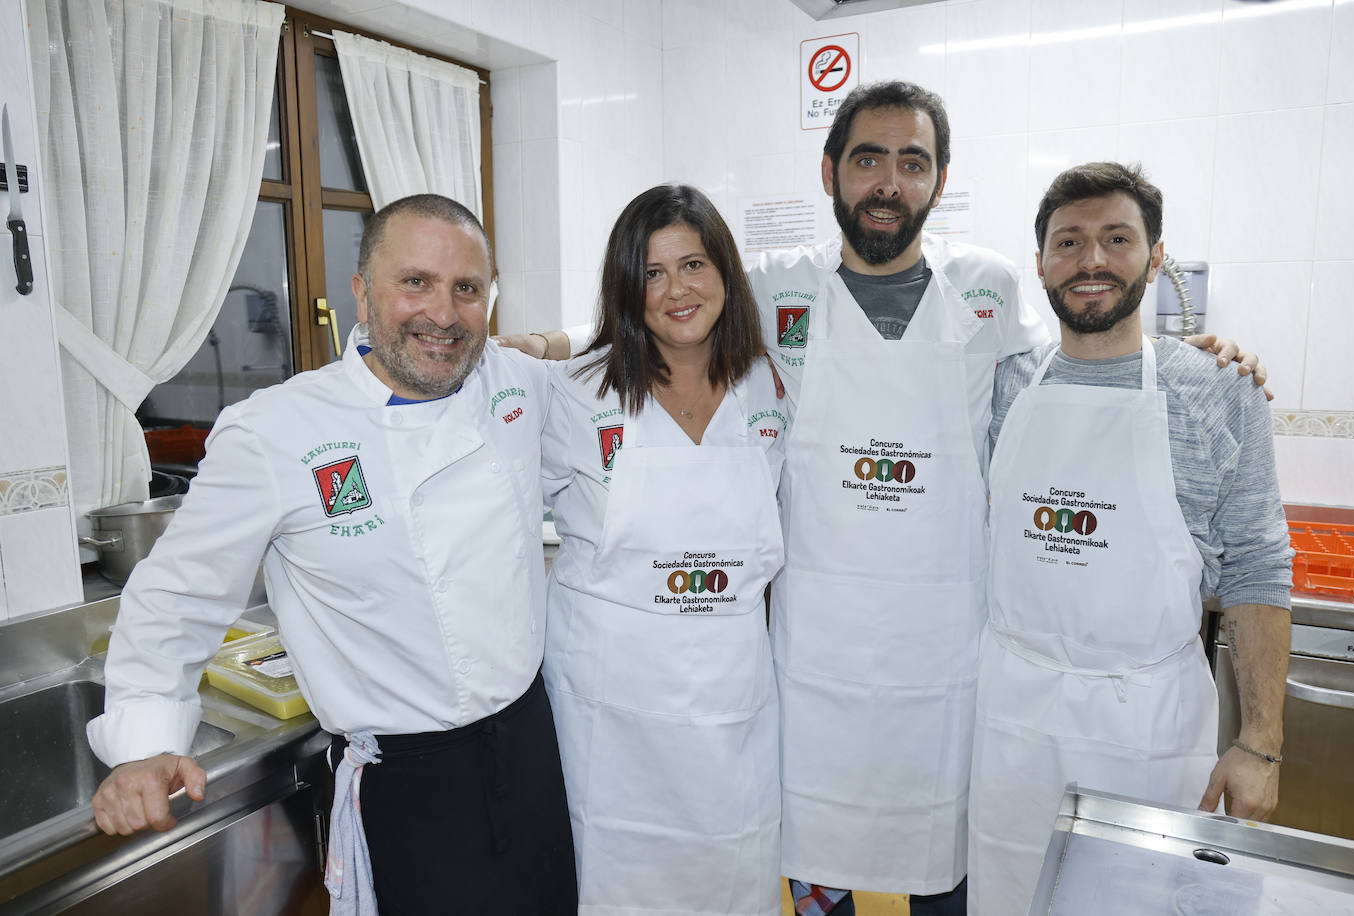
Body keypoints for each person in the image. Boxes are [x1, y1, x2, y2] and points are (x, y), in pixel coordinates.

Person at [500, 81, 1262, 916]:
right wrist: (547, 342)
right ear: (831, 172)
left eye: (912, 162)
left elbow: (1088, 354)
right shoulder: (776, 286)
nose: (889, 182)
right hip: (812, 661)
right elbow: (662, 302)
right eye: (869, 160)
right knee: (810, 859)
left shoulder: (990, 289)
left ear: (939, 178)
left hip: (947, 663)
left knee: (950, 865)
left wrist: (1195, 356)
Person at [86, 194, 577, 915]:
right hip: (412, 782)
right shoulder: (276, 431)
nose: (442, 313)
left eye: (466, 289)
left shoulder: (512, 384)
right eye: (416, 282)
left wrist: (540, 343)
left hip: (532, 745)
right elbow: (179, 596)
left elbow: (608, 359)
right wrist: (142, 744)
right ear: (361, 292)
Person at [966, 162, 1292, 916]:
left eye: (1117, 238)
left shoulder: (1216, 388)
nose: (1092, 261)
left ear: (1154, 256)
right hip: (1014, 721)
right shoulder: (1003, 384)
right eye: (1068, 242)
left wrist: (1260, 743)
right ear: (1041, 262)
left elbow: (1257, 569)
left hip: (1146, 728)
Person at [539, 184, 788, 915]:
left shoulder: (767, 383)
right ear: (627, 286)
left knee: (732, 871)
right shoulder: (577, 392)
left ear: (726, 275)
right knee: (616, 878)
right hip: (612, 703)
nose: (676, 289)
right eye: (652, 273)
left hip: (730, 694)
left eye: (694, 265)